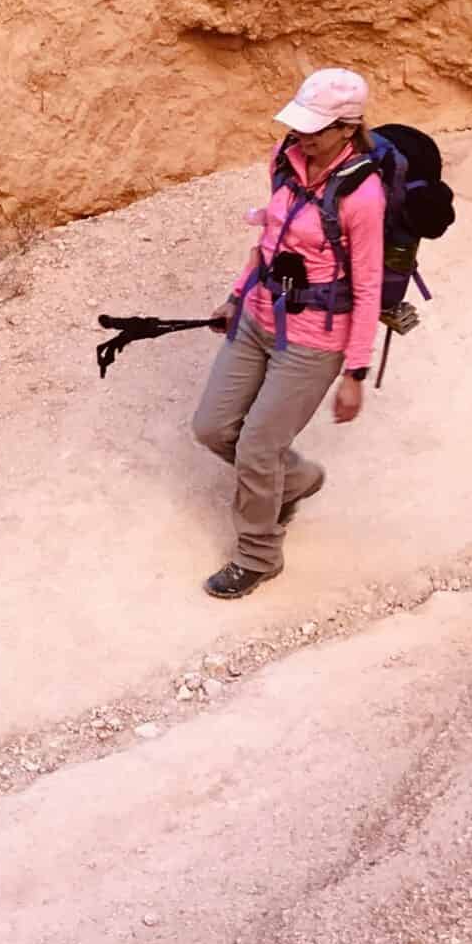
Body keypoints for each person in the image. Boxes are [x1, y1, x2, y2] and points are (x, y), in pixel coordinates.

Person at [190, 68, 386, 599]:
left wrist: (355, 373)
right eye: (299, 124)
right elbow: (271, 239)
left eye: (314, 129)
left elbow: (367, 287)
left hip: (312, 342)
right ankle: (295, 480)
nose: (302, 136)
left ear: (347, 128)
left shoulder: (362, 196)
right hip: (257, 315)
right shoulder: (286, 158)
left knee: (257, 447)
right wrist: (236, 296)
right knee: (211, 426)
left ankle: (257, 555)